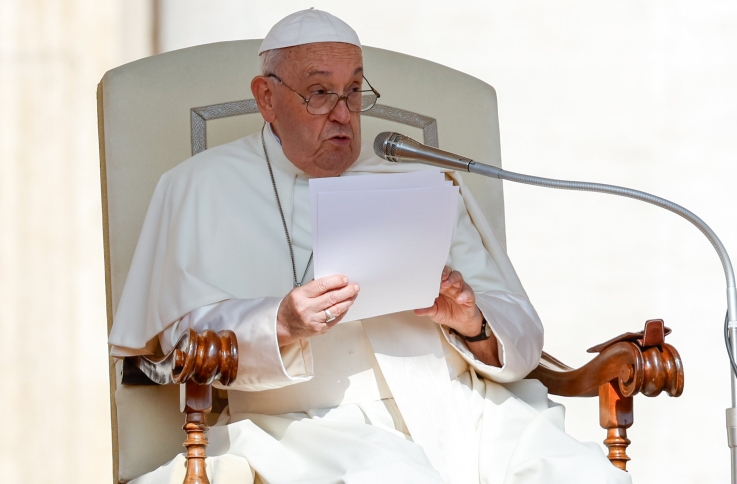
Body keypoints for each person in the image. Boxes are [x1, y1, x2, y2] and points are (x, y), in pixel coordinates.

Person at [108, 8, 631, 484]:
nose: (343, 114)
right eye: (319, 93)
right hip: (309, 427)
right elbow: (186, 344)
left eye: (354, 91)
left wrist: (472, 322)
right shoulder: (199, 186)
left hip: (467, 411)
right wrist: (282, 322)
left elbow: (522, 333)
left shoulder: (417, 179)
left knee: (587, 476)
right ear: (266, 98)